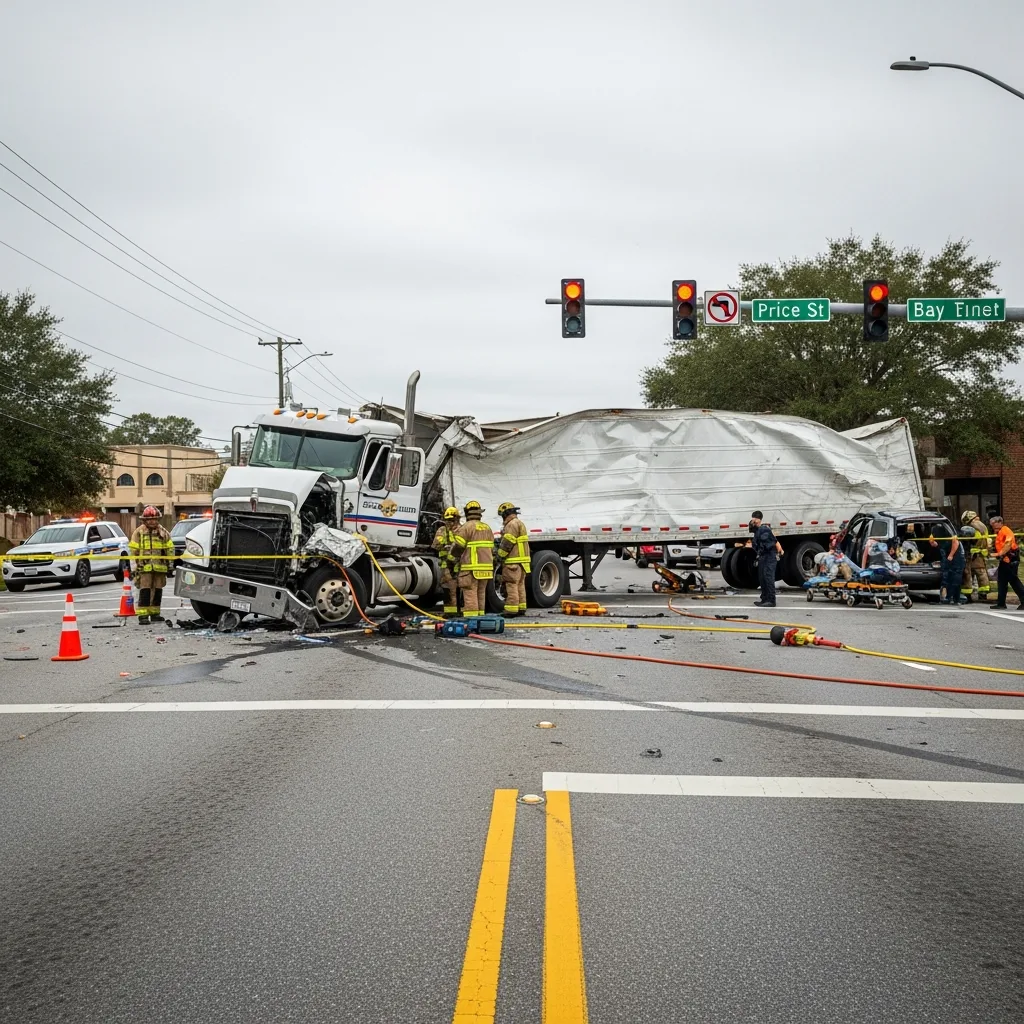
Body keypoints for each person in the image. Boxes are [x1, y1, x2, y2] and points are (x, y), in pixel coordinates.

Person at [447, 500, 494, 617]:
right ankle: (481, 618)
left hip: (471, 567)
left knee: (470, 592)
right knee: (481, 593)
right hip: (486, 568)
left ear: (467, 513)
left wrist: (451, 559)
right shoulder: (487, 528)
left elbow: (458, 546)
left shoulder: (466, 527)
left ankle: (471, 619)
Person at [129, 506, 174, 625]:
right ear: (144, 520)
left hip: (160, 567)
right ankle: (143, 615)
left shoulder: (163, 532)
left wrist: (170, 565)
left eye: (154, 519)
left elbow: (170, 549)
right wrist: (133, 567)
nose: (152, 521)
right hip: (144, 567)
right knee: (145, 590)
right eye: (149, 519)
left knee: (157, 590)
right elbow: (133, 551)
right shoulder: (139, 532)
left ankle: (155, 614)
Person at [495, 501, 531, 617]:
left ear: (505, 514)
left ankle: (511, 610)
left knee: (511, 585)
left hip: (513, 562)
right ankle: (521, 607)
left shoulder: (511, 525)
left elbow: (507, 542)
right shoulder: (520, 523)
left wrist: (499, 556)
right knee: (520, 585)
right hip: (522, 562)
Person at [988, 515, 1024, 609]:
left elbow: (1008, 543)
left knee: (1013, 580)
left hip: (1010, 559)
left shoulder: (1006, 530)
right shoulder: (1000, 531)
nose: (993, 527)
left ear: (1000, 522)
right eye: (992, 525)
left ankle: (1003, 603)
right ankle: (1001, 603)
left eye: (994, 524)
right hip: (1006, 559)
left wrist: (1000, 553)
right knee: (1003, 581)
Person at [431, 506, 461, 618]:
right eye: (448, 520)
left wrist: (446, 545)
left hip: (451, 565)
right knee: (453, 589)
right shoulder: (463, 529)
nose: (449, 522)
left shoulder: (442, 530)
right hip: (455, 564)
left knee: (450, 589)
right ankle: (454, 611)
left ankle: (452, 612)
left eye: (451, 520)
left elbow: (436, 545)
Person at [749, 510, 783, 607]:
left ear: (758, 519)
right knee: (762, 578)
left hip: (769, 556)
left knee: (768, 577)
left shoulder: (764, 529)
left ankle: (771, 600)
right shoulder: (757, 531)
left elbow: (770, 544)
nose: (753, 522)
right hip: (763, 557)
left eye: (754, 519)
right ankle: (764, 599)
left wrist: (780, 550)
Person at [960, 510, 992, 602]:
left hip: (971, 556)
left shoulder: (970, 528)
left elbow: (970, 541)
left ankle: (967, 596)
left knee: (967, 575)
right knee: (981, 574)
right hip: (980, 556)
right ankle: (983, 595)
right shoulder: (983, 527)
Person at [928, 529, 965, 605]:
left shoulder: (947, 532)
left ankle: (953, 599)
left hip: (957, 558)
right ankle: (950, 598)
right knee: (949, 578)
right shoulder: (940, 538)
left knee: (955, 579)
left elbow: (955, 542)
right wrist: (933, 543)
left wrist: (951, 555)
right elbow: (939, 546)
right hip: (950, 558)